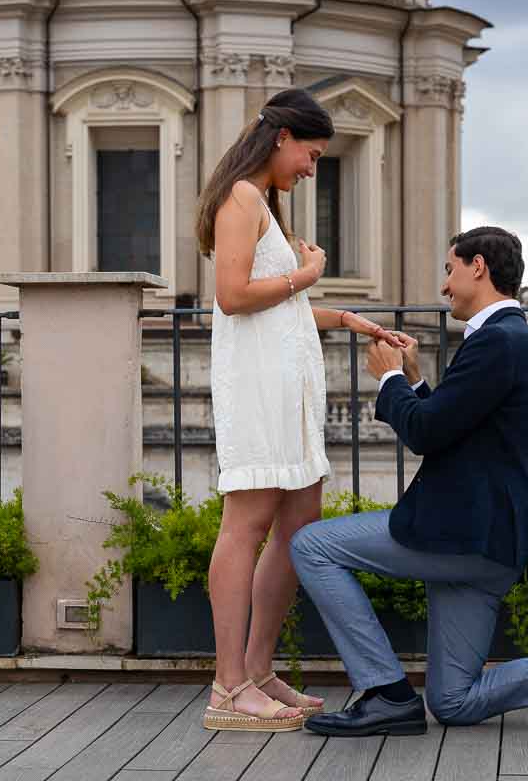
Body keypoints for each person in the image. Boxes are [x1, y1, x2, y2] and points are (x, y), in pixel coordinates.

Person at [290, 227, 528, 737]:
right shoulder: (511, 339)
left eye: (449, 270)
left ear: (477, 267)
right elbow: (454, 427)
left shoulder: (497, 341)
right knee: (454, 701)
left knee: (312, 545)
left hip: (462, 535)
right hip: (490, 544)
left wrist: (390, 378)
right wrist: (417, 380)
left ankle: (384, 692)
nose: (445, 286)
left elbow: (424, 432)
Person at [194, 88, 406, 732]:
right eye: (311, 154)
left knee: (299, 525)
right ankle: (228, 687)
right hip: (259, 388)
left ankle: (257, 671)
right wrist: (307, 275)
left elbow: (275, 305)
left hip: (288, 389)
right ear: (282, 138)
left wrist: (342, 317)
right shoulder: (240, 198)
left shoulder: (262, 202)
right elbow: (233, 297)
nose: (313, 168)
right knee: (248, 526)